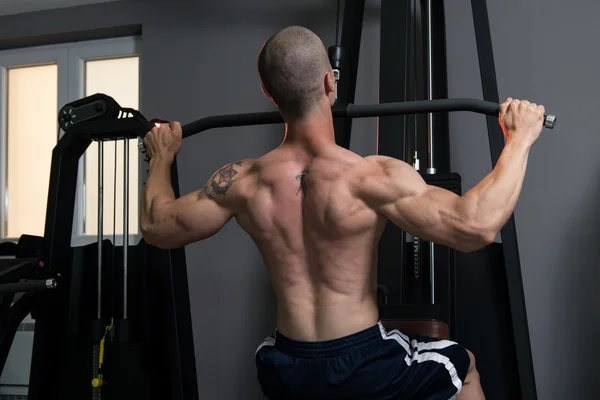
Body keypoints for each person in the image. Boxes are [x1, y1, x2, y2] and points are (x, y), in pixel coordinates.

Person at [140, 26, 545, 400]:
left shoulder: (242, 181)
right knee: (465, 365)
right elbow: (474, 226)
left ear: (269, 92)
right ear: (329, 82)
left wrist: (161, 157)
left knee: (272, 349)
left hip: (286, 369)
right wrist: (519, 139)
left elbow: (158, 226)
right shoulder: (371, 177)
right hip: (363, 366)